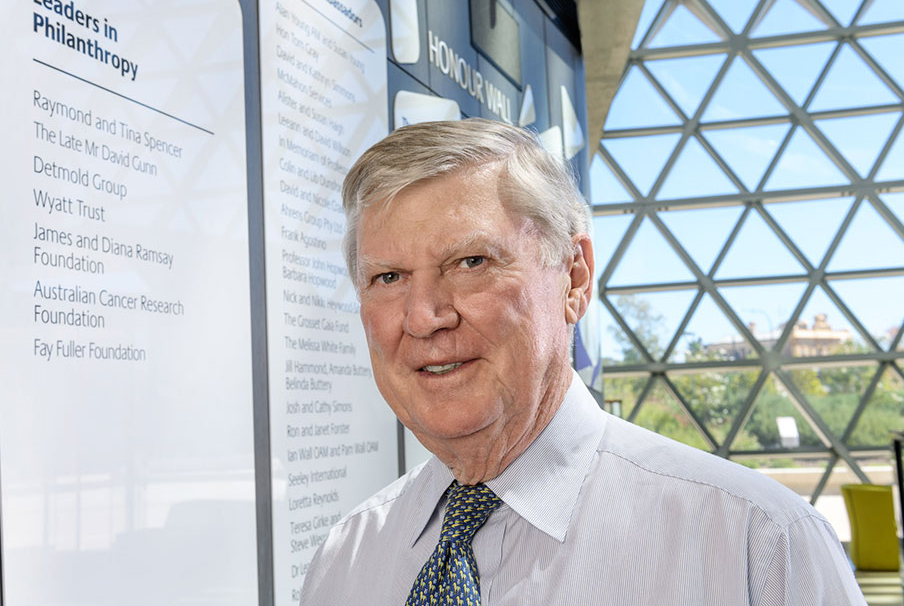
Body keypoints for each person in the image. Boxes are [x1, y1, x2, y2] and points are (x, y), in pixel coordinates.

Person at [300, 118, 865, 605]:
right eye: (388, 278)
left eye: (471, 262)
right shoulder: (345, 562)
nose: (424, 317)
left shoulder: (759, 548)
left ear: (574, 277)